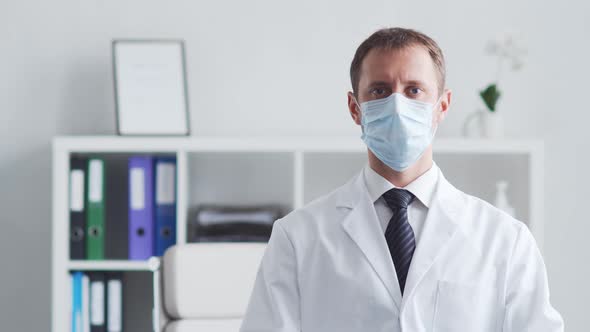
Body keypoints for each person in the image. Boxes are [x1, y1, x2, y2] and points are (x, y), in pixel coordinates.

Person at [240, 27, 564, 332]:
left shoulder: (505, 240)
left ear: (443, 105)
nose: (397, 105)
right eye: (380, 90)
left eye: (414, 90)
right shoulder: (298, 238)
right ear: (355, 108)